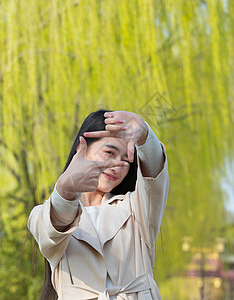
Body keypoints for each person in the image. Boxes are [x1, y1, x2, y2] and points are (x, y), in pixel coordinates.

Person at [28, 109, 169, 299]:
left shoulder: (135, 209)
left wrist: (144, 134)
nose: (117, 165)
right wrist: (65, 188)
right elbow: (54, 225)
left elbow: (154, 178)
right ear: (81, 148)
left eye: (125, 159)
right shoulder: (43, 214)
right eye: (109, 152)